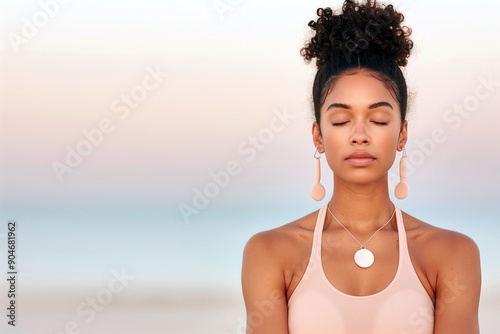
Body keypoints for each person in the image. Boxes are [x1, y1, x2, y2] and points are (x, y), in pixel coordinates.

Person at [241, 1, 481, 333]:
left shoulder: (452, 254)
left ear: (402, 134)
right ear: (318, 136)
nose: (359, 136)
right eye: (340, 120)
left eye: (379, 119)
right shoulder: (269, 252)